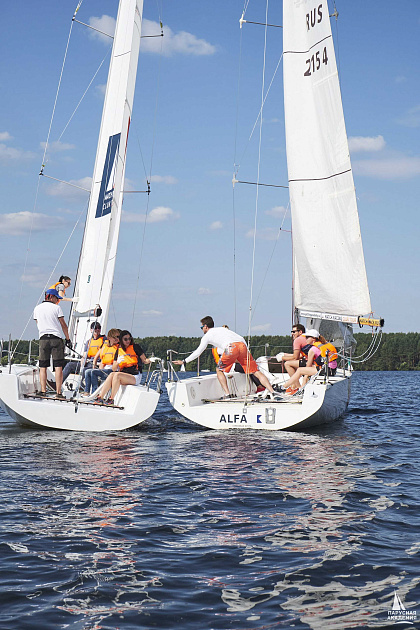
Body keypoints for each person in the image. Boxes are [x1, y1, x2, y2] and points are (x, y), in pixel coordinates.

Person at [173, 316, 276, 399]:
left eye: (201, 327)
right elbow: (241, 338)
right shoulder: (222, 329)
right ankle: (272, 392)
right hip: (242, 345)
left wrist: (184, 361)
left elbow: (198, 352)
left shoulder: (207, 336)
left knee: (219, 370)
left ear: (205, 326)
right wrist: (247, 353)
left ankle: (227, 394)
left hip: (230, 348)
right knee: (255, 371)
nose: (202, 329)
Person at [95, 330, 152, 406]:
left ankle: (111, 399)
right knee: (112, 374)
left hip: (135, 376)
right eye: (125, 339)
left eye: (129, 339)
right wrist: (117, 362)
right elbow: (114, 368)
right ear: (121, 340)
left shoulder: (135, 347)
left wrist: (150, 360)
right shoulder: (118, 350)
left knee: (117, 375)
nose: (128, 341)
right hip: (124, 374)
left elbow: (144, 360)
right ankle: (100, 397)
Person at [33, 288, 72, 399]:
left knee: (43, 366)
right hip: (56, 338)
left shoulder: (37, 308)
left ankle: (43, 391)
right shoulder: (57, 308)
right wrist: (68, 339)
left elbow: (38, 323)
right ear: (51, 297)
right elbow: (63, 325)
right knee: (58, 366)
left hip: (43, 339)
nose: (58, 301)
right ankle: (58, 393)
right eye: (56, 298)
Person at [83, 329, 120, 395]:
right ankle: (87, 392)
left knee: (93, 372)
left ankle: (94, 393)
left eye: (118, 337)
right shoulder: (105, 346)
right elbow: (96, 358)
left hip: (112, 370)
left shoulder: (119, 347)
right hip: (105, 369)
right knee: (87, 372)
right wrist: (95, 368)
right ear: (109, 338)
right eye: (114, 337)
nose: (117, 339)